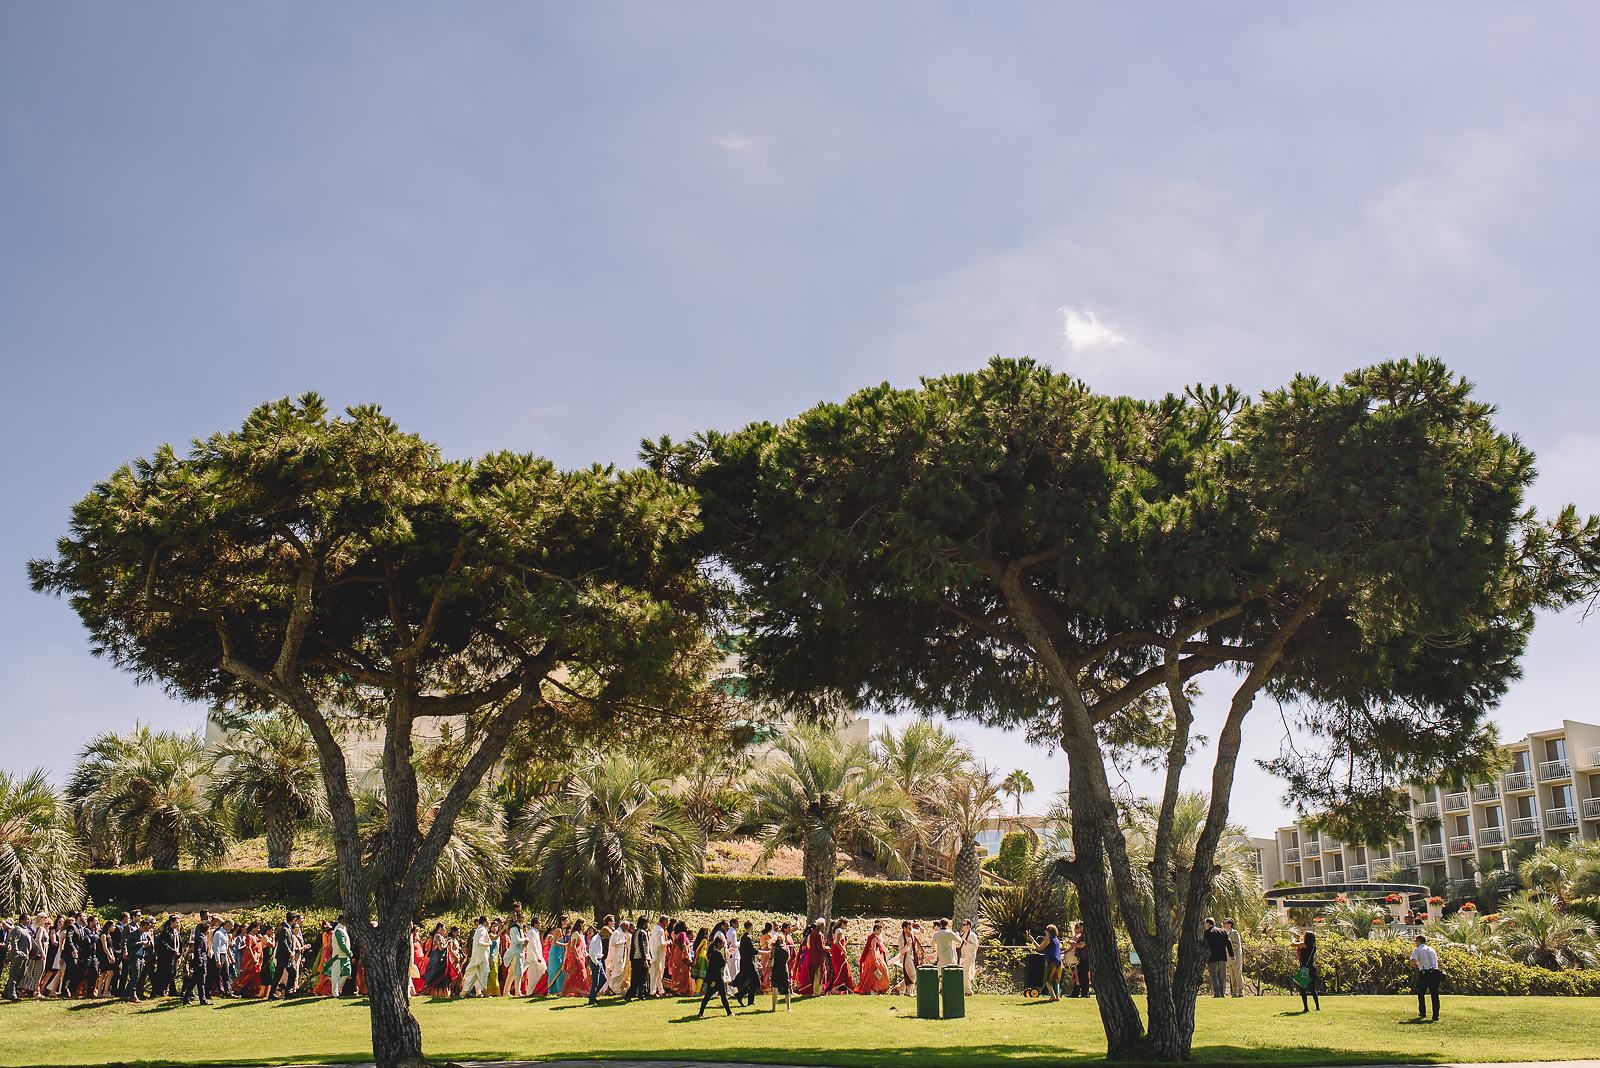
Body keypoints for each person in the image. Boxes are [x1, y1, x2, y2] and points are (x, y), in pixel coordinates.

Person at [697, 921, 732, 1017]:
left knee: (708, 996)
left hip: (714, 978)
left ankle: (701, 1012)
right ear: (719, 944)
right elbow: (718, 966)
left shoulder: (712, 953)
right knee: (723, 996)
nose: (723, 945)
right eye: (722, 944)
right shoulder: (717, 954)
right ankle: (729, 1012)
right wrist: (714, 980)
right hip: (717, 978)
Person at [182, 913, 211, 1005]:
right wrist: (200, 961)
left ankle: (186, 997)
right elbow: (197, 951)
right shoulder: (201, 938)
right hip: (200, 962)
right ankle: (202, 1000)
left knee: (194, 981)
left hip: (200, 961)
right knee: (201, 981)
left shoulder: (201, 937)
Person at [1410, 933, 1442, 1021]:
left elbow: (1412, 962)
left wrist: (1416, 965)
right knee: (1435, 995)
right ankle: (1435, 1015)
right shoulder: (1432, 949)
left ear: (1419, 941)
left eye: (1416, 941)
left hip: (1424, 973)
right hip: (1435, 973)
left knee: (1421, 994)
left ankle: (1423, 1012)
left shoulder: (1417, 950)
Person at [854, 921, 890, 994]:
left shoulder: (870, 936)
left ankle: (873, 988)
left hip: (870, 956)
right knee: (878, 971)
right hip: (873, 956)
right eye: (880, 930)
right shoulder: (873, 938)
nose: (880, 932)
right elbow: (873, 949)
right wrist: (875, 960)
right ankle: (872, 989)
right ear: (876, 929)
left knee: (871, 972)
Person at [1030, 925, 1063, 1001]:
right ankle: (1057, 996)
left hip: (1051, 961)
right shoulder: (1057, 939)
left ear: (1049, 931)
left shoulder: (1048, 939)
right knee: (1056, 979)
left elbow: (1040, 948)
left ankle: (1053, 996)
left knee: (1048, 980)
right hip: (1058, 961)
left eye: (1046, 930)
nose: (1045, 932)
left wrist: (1032, 940)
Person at [1291, 929, 1321, 1011]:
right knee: (1312, 989)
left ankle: (1306, 1008)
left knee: (1303, 989)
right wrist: (1298, 938)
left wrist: (1294, 937)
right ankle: (1317, 1007)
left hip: (1304, 969)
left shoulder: (1303, 944)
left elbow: (1293, 944)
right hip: (1312, 968)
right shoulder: (1314, 947)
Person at [462, 917, 492, 997]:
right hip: (481, 956)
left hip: (478, 955)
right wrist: (489, 944)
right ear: (485, 922)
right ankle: (485, 992)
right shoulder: (482, 930)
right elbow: (479, 942)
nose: (489, 922)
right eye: (488, 921)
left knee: (474, 973)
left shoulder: (479, 929)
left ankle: (466, 991)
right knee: (484, 972)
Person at [1203, 917, 1233, 998]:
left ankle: (1217, 993)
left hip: (1212, 957)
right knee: (1222, 976)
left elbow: (1204, 945)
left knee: (1214, 975)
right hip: (1222, 957)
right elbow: (1228, 943)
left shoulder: (1207, 933)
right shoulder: (1222, 931)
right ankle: (1222, 993)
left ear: (1208, 924)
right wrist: (1231, 955)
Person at [769, 922, 792, 1012]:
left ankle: (774, 1008)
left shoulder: (774, 948)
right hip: (784, 969)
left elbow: (771, 959)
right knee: (787, 990)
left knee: (774, 990)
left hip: (775, 970)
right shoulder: (786, 948)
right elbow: (788, 958)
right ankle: (788, 1007)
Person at [735, 921, 759, 1005]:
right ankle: (740, 994)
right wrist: (759, 951)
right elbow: (752, 950)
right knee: (756, 982)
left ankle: (749, 1000)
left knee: (752, 982)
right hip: (749, 963)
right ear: (751, 927)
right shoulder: (748, 937)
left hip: (745, 962)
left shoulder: (744, 937)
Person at [328, 917, 353, 997]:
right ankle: (335, 993)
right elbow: (342, 944)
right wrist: (349, 952)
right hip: (338, 956)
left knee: (347, 973)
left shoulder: (343, 929)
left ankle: (338, 989)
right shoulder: (339, 930)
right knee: (335, 974)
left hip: (343, 956)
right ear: (341, 920)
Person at [957, 918, 980, 996]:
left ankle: (967, 990)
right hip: (962, 956)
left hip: (969, 956)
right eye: (962, 925)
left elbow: (976, 946)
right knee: (963, 973)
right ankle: (967, 990)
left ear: (969, 926)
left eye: (965, 924)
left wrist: (967, 944)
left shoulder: (972, 935)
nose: (963, 926)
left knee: (966, 973)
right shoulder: (962, 934)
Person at [1068, 921, 1091, 997]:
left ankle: (1085, 993)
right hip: (1080, 958)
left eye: (1081, 927)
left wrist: (1073, 943)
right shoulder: (1081, 935)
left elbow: (1081, 945)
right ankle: (1080, 993)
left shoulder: (1085, 935)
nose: (1080, 928)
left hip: (1085, 958)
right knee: (1080, 975)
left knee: (1084, 976)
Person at [1223, 919, 1245, 997]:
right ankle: (1235, 992)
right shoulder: (1225, 933)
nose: (1223, 925)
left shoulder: (1234, 932)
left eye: (1225, 923)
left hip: (1236, 956)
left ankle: (1241, 992)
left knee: (1238, 974)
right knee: (1232, 976)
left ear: (1230, 924)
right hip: (1228, 958)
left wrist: (1228, 944)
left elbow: (1237, 944)